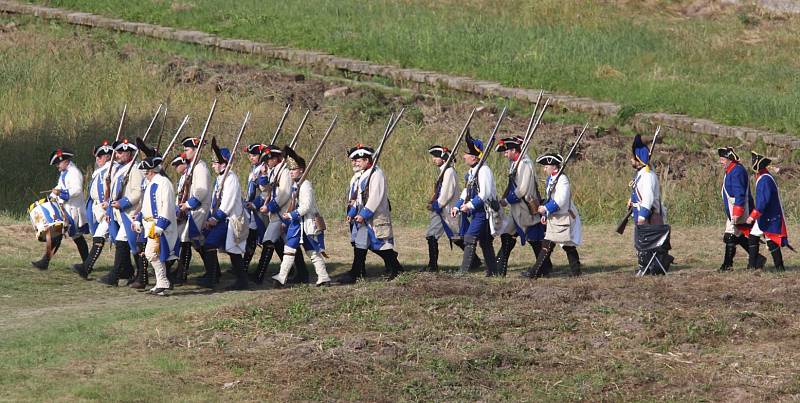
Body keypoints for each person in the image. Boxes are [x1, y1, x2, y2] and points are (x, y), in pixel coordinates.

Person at [338, 144, 404, 283]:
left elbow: (375, 197)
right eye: (353, 160)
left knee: (381, 245)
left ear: (367, 160)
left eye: (358, 159)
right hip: (363, 216)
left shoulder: (376, 174)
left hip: (374, 216)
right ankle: (356, 272)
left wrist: (364, 213)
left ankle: (396, 269)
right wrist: (352, 211)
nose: (354, 162)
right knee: (360, 244)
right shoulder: (360, 175)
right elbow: (357, 197)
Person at [272, 146, 331, 286]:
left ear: (302, 170)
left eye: (294, 169)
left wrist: (291, 214)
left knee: (313, 252)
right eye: (290, 170)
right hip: (297, 224)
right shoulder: (295, 185)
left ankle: (324, 277)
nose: (291, 172)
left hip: (308, 222)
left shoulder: (305, 185)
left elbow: (307, 206)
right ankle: (282, 277)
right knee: (289, 250)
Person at [252, 145, 308, 284]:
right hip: (277, 214)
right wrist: (264, 176)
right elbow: (266, 190)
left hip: (283, 213)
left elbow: (284, 194)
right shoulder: (273, 170)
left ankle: (259, 275)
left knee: (268, 240)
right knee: (289, 244)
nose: (267, 162)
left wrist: (270, 207)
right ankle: (302, 273)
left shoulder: (284, 172)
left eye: (269, 159)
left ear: (277, 158)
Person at [198, 138, 249, 290]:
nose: (213, 165)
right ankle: (214, 277)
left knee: (218, 246)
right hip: (222, 219)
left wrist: (215, 218)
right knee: (213, 245)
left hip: (230, 219)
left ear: (223, 163)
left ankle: (225, 279)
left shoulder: (231, 178)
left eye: (215, 162)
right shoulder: (220, 179)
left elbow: (228, 202)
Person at [495, 136, 549, 277]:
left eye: (507, 152)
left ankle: (543, 268)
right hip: (516, 209)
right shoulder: (515, 163)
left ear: (514, 150)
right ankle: (499, 270)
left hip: (525, 208)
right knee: (507, 236)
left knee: (534, 240)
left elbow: (522, 190)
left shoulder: (524, 163)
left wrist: (507, 200)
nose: (505, 154)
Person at [521, 153, 582, 278]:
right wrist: (545, 214)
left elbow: (561, 200)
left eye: (546, 166)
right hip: (556, 216)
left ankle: (535, 272)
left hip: (564, 216)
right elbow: (550, 198)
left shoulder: (562, 179)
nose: (544, 169)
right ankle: (537, 272)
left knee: (565, 245)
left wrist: (546, 208)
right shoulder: (551, 178)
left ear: (554, 167)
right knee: (551, 245)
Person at [32, 148, 90, 271]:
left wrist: (61, 193)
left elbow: (77, 190)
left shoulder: (74, 172)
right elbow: (59, 186)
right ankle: (87, 263)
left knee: (69, 236)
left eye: (59, 163)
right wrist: (51, 196)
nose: (57, 166)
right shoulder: (65, 172)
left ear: (66, 161)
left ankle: (46, 262)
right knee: (70, 236)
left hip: (73, 209)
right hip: (66, 208)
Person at [450, 134, 499, 276]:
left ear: (475, 157)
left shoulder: (484, 170)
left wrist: (469, 206)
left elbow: (484, 194)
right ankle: (494, 273)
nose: (464, 157)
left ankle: (463, 272)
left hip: (483, 211)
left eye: (467, 154)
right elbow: (466, 191)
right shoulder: (472, 171)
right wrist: (457, 206)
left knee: (469, 238)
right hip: (477, 211)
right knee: (485, 242)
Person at [98, 139, 144, 286]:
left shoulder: (135, 169)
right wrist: (109, 205)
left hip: (130, 212)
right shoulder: (120, 169)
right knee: (127, 243)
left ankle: (117, 275)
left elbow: (137, 192)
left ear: (128, 153)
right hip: (119, 213)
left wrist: (123, 203)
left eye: (120, 152)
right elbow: (115, 192)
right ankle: (134, 274)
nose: (117, 155)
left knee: (125, 242)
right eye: (117, 152)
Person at [132, 147, 178, 296]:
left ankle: (163, 282)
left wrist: (160, 226)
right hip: (149, 224)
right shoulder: (151, 184)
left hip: (158, 225)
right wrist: (139, 220)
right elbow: (146, 206)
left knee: (151, 253)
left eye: (146, 173)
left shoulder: (164, 183)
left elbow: (168, 206)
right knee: (155, 255)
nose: (145, 175)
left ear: (151, 171)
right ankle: (161, 283)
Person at [628, 134, 672, 273]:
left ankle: (649, 268)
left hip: (648, 217)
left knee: (647, 244)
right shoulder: (642, 173)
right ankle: (645, 267)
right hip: (642, 215)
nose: (631, 160)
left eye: (633, 157)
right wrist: (631, 200)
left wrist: (642, 218)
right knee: (641, 244)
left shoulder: (647, 176)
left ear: (638, 160)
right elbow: (639, 192)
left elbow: (647, 199)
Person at [717, 147, 765, 271]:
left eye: (722, 159)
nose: (720, 161)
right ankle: (757, 258)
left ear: (729, 160)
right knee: (734, 236)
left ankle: (727, 265)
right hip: (734, 209)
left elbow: (740, 194)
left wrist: (737, 212)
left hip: (740, 209)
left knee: (730, 236)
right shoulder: (731, 169)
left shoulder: (736, 171)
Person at [172, 137, 211, 285]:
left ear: (195, 151)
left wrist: (187, 205)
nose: (185, 152)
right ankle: (183, 272)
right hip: (192, 208)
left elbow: (201, 191)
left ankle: (210, 273)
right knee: (187, 240)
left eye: (187, 150)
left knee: (193, 240)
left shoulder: (200, 167)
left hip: (199, 208)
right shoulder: (194, 167)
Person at [73, 141, 114, 279]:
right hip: (97, 207)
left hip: (107, 207)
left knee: (102, 236)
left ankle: (87, 267)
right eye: (97, 156)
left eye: (101, 156)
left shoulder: (111, 169)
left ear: (108, 156)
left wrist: (107, 206)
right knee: (101, 236)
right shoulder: (100, 171)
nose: (97, 158)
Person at [745, 151, 790, 271]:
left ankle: (757, 266)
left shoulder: (764, 180)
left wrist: (753, 216)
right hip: (767, 215)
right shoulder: (764, 177)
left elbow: (763, 201)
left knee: (768, 240)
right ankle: (755, 265)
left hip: (769, 216)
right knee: (759, 238)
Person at [243, 143, 268, 272]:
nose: (251, 157)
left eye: (254, 155)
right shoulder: (255, 169)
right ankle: (244, 265)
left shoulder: (264, 170)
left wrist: (254, 204)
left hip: (262, 210)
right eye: (250, 155)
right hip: (253, 210)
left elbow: (265, 193)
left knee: (271, 240)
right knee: (251, 237)